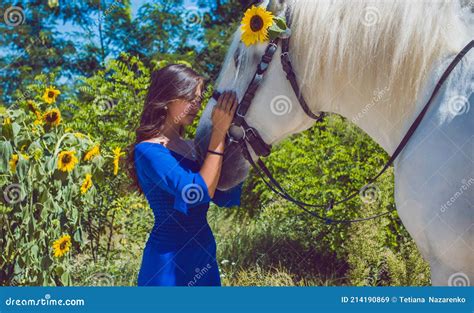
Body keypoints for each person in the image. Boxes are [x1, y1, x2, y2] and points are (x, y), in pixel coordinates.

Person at [125, 64, 242, 286]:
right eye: (189, 97)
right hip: (168, 258)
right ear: (167, 98)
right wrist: (218, 133)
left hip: (203, 252)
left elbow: (223, 196)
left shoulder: (194, 146)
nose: (196, 105)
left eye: (198, 99)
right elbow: (196, 193)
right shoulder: (148, 151)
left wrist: (237, 144)